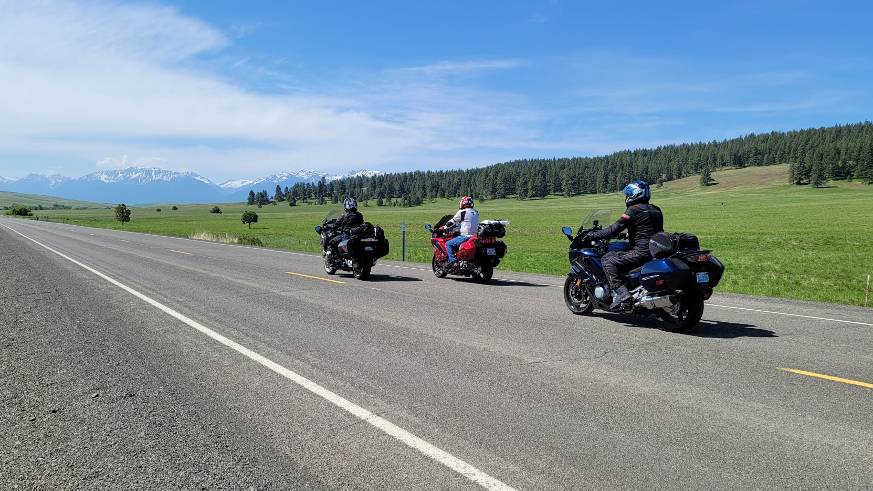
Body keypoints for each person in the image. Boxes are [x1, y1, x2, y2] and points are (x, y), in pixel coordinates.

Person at [587, 179, 663, 309]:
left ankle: (622, 294)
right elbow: (648, 229)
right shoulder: (656, 209)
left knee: (607, 260)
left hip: (641, 252)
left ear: (635, 194)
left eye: (629, 193)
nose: (627, 196)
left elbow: (614, 229)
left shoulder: (633, 210)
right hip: (655, 250)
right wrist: (629, 235)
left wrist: (593, 235)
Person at [443, 196, 480, 264]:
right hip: (475, 237)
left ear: (463, 203)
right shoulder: (476, 212)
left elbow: (452, 221)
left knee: (448, 244)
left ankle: (453, 261)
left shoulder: (462, 212)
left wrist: (444, 227)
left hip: (465, 237)